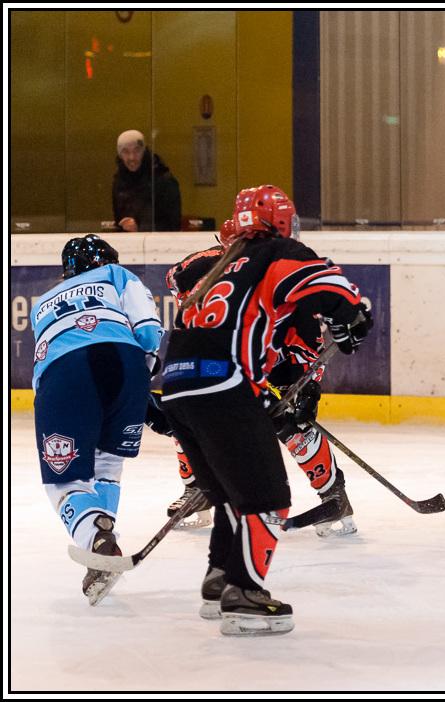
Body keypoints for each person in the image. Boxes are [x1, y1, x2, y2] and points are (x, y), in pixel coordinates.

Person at [159, 185, 372, 636]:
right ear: (280, 223)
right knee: (269, 498)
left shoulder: (214, 265)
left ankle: (219, 581)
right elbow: (333, 285)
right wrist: (350, 316)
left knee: (232, 496)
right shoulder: (274, 253)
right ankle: (245, 594)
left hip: (175, 385)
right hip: (223, 383)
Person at [152, 224, 358, 538]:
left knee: (290, 423)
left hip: (274, 359)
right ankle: (199, 489)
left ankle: (333, 495)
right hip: (228, 356)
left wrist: (307, 388)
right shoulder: (199, 270)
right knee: (192, 412)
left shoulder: (282, 276)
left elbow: (307, 344)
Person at [30, 235, 163, 605]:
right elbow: (148, 329)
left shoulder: (40, 304)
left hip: (64, 374)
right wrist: (142, 382)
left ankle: (97, 541)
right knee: (107, 463)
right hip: (126, 365)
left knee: (65, 480)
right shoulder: (116, 276)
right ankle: (103, 540)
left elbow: (44, 362)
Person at [112, 129, 182, 232]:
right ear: (120, 155)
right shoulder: (119, 182)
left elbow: (173, 224)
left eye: (137, 150)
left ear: (144, 151)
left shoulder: (163, 180)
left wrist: (140, 228)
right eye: (126, 152)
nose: (132, 157)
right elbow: (119, 220)